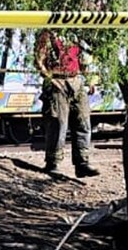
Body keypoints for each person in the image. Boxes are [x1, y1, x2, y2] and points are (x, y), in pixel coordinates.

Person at [34, 30, 99, 177]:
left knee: (83, 121)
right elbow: (39, 60)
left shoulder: (76, 35)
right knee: (58, 123)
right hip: (57, 81)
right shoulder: (47, 34)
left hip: (76, 80)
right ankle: (53, 163)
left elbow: (83, 60)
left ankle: (82, 163)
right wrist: (50, 78)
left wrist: (89, 80)